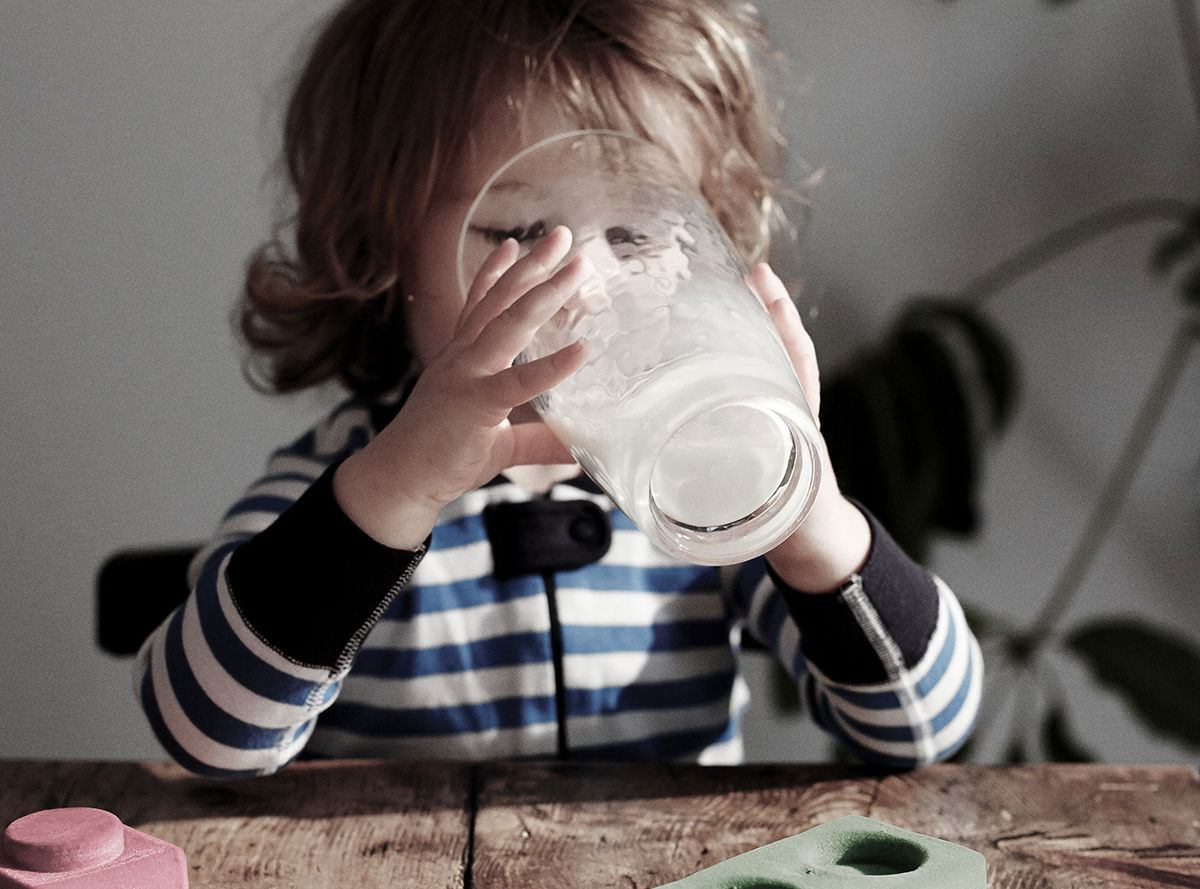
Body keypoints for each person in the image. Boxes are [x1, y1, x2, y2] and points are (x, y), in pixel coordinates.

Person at [133, 0, 982, 777]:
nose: (589, 283)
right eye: (522, 232)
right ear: (383, 247)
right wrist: (392, 491)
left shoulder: (705, 478)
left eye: (639, 229)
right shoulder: (350, 485)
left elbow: (923, 727)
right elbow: (205, 734)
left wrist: (807, 519)